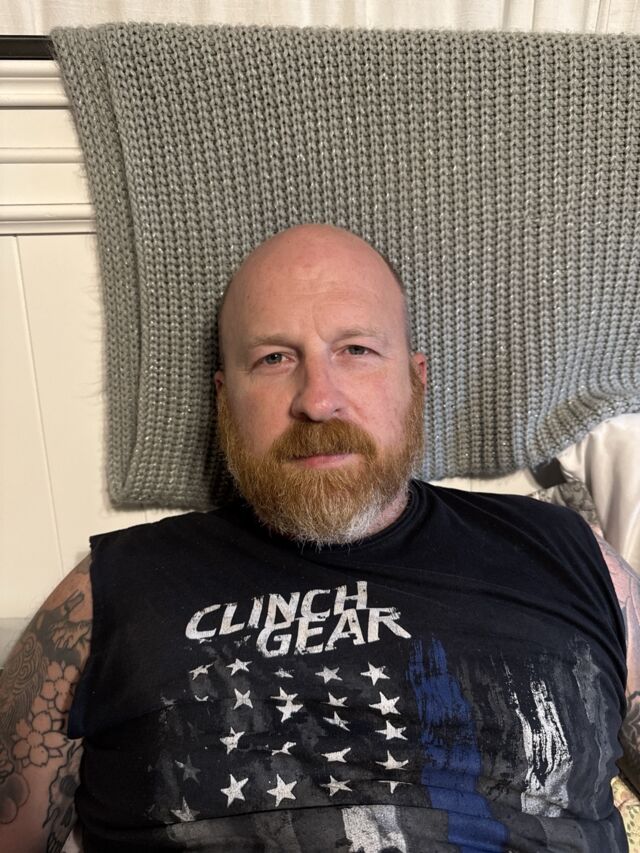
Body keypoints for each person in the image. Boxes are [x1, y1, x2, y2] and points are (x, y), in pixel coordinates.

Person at [0, 223, 638, 852]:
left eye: (356, 350)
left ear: (416, 380)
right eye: (274, 359)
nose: (317, 400)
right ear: (225, 401)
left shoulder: (567, 553)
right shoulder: (113, 588)